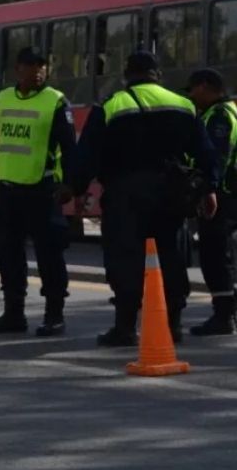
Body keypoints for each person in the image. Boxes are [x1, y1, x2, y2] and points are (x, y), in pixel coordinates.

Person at [74, 51, 219, 347]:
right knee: (172, 256)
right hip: (171, 193)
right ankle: (173, 324)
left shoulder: (111, 105)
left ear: (127, 76)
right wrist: (210, 188)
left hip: (124, 194)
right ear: (158, 75)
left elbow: (86, 154)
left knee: (125, 257)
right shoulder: (183, 105)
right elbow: (206, 154)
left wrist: (77, 190)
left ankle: (125, 327)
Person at [0, 46, 77, 337]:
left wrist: (71, 185)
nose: (39, 71)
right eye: (32, 66)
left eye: (43, 66)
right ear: (18, 69)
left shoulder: (55, 102)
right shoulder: (4, 98)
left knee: (50, 255)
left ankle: (54, 315)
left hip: (42, 192)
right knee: (8, 254)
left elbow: (69, 148)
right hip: (8, 193)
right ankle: (13, 313)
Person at [186, 68, 237, 336]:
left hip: (223, 196)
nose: (191, 96)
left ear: (206, 87)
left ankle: (223, 315)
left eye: (193, 89)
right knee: (222, 253)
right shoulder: (228, 111)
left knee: (215, 255)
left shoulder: (219, 116)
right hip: (229, 193)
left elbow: (218, 157)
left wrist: (209, 190)